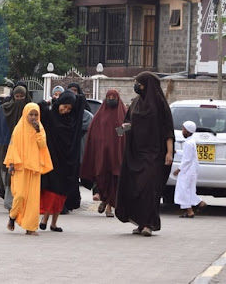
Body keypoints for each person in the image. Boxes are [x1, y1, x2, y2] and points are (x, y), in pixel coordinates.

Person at [115, 72, 175, 237]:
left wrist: (169, 152)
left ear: (147, 85)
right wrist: (122, 129)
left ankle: (148, 224)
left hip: (155, 154)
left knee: (149, 188)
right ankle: (140, 223)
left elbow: (167, 130)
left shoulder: (160, 105)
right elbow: (129, 123)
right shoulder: (135, 103)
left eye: (139, 83)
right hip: (136, 153)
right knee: (136, 188)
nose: (137, 86)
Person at [4, 103, 53, 236]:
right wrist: (12, 163)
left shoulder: (40, 128)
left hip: (34, 168)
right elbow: (13, 146)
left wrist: (37, 131)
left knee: (32, 200)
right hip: (20, 167)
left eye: (36, 115)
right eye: (31, 114)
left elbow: (42, 145)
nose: (33, 117)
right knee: (19, 195)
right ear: (25, 114)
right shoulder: (18, 129)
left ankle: (30, 227)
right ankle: (12, 217)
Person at [39, 90, 84, 231]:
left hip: (66, 162)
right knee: (52, 190)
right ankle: (45, 219)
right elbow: (37, 107)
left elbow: (82, 106)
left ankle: (53, 223)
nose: (65, 110)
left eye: (69, 108)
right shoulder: (51, 115)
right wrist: (47, 102)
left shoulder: (72, 121)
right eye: (64, 106)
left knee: (61, 193)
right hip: (52, 161)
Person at [80, 89, 126, 218]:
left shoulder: (123, 113)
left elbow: (127, 129)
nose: (111, 99)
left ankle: (109, 206)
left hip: (117, 153)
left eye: (113, 97)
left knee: (114, 178)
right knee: (102, 176)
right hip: (102, 152)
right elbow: (93, 131)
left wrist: (120, 136)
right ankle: (105, 200)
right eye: (109, 96)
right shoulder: (100, 114)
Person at [174, 120, 207, 218]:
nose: (182, 131)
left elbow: (187, 160)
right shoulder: (190, 141)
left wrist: (179, 169)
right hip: (191, 170)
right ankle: (200, 203)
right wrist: (177, 152)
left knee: (184, 190)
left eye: (183, 129)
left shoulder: (189, 143)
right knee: (190, 190)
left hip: (187, 171)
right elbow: (186, 154)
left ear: (187, 131)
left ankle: (189, 211)